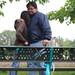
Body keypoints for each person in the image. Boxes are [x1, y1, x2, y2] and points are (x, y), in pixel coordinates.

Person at [21, 1, 52, 75]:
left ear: (36, 8)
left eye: (31, 8)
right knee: (31, 64)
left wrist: (47, 38)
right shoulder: (27, 17)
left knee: (40, 64)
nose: (30, 10)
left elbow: (46, 28)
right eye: (28, 9)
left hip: (39, 43)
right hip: (30, 44)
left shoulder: (41, 16)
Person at [9, 11, 30, 75]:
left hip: (18, 46)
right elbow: (18, 33)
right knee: (18, 64)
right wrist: (25, 41)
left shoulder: (18, 22)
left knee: (15, 63)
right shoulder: (22, 22)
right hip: (21, 46)